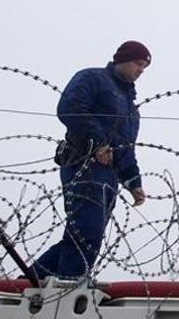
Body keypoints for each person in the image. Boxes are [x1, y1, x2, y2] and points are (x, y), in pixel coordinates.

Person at [29, 40, 150, 280]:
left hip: (110, 175)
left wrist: (134, 183)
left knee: (83, 235)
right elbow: (70, 108)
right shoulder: (93, 79)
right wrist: (98, 142)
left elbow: (126, 148)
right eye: (139, 63)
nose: (141, 70)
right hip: (84, 165)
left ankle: (27, 284)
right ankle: (68, 286)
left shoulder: (131, 109)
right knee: (87, 231)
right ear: (123, 59)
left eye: (145, 67)